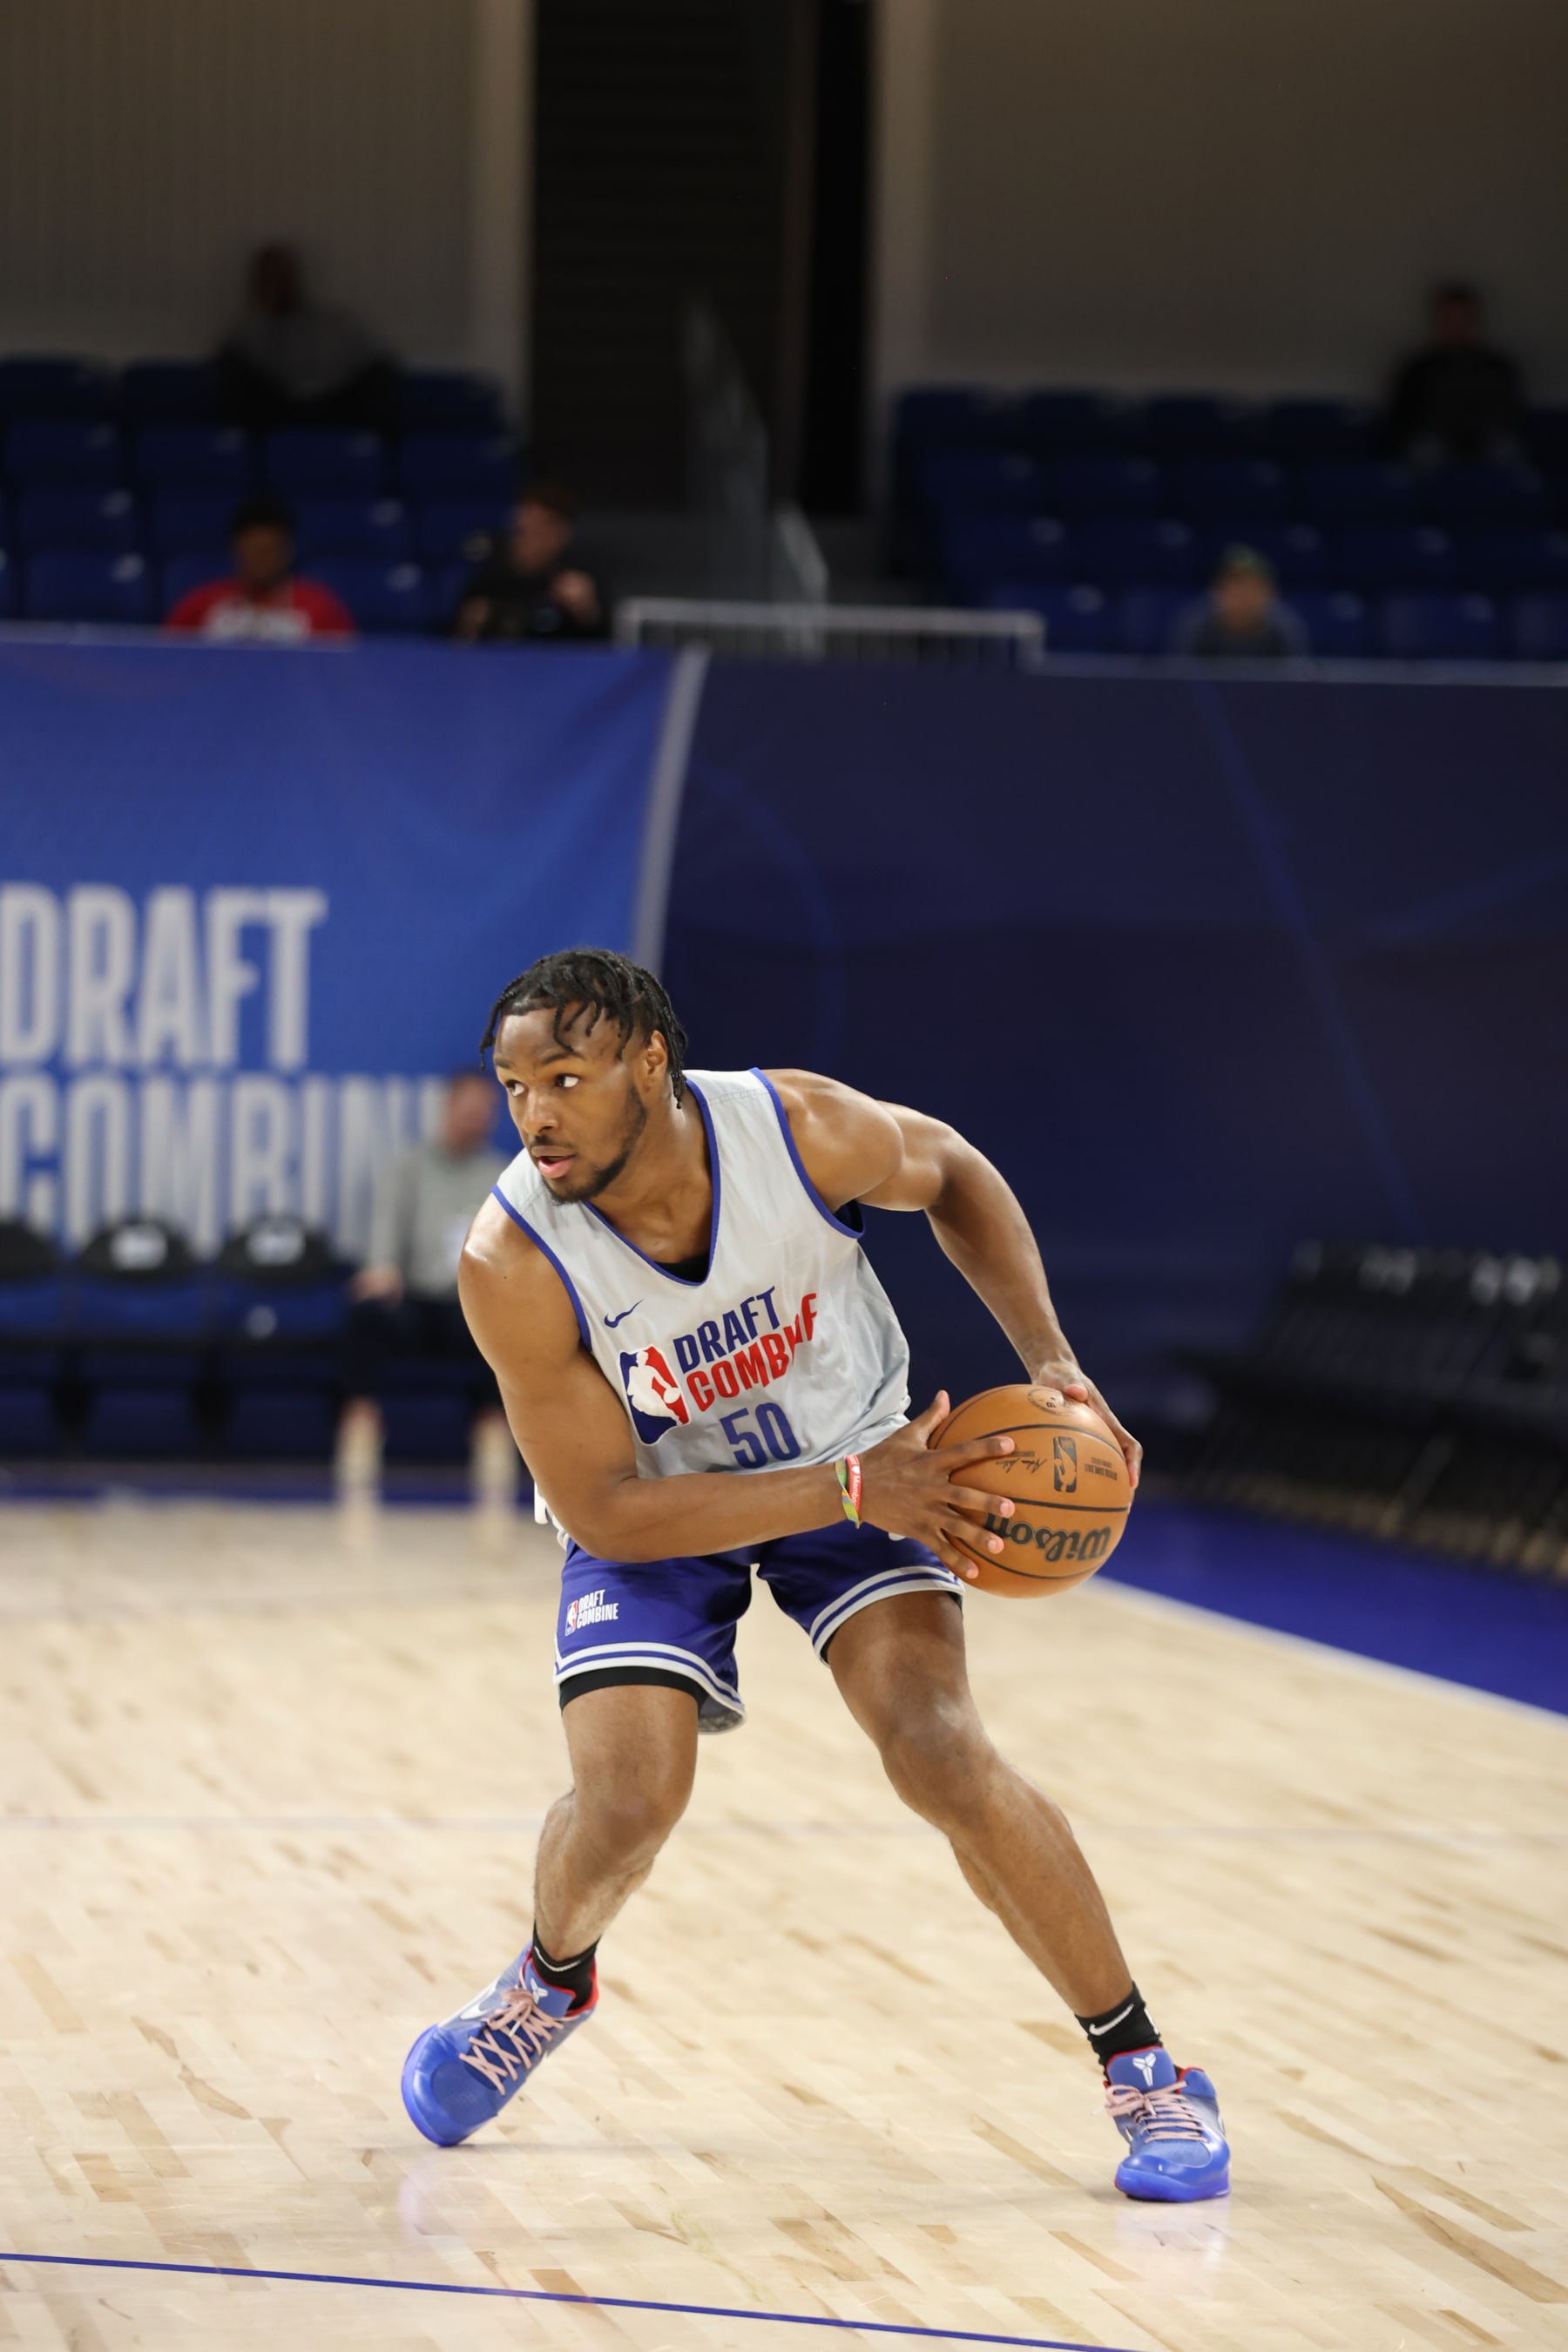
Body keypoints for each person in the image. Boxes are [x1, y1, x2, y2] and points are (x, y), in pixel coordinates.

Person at [400, 949, 1231, 2204]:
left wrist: (1049, 1358)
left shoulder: (798, 1133)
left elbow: (953, 1171)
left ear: (648, 1064)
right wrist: (851, 1490)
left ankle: (1150, 2072)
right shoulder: (511, 1259)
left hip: (860, 1454)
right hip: (667, 1506)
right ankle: (547, 1980)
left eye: (563, 1078)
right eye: (513, 1085)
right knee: (629, 1798)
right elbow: (606, 1510)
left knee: (941, 1748)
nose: (535, 1114)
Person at [214, 242, 395, 434]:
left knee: (381, 375)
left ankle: (368, 450)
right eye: (268, 277)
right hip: (277, 408)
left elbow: (368, 361)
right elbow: (240, 372)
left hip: (332, 404)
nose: (276, 282)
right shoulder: (247, 329)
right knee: (229, 369)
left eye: (281, 276)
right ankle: (248, 452)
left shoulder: (330, 322)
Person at [163, 495, 355, 644]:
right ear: (235, 549)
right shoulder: (200, 604)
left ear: (289, 550)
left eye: (270, 551)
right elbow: (168, 661)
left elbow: (344, 671)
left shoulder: (321, 607)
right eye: (253, 551)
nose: (262, 560)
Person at [1381, 282, 1524, 467]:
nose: (1457, 326)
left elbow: (1511, 418)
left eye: (1463, 319)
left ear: (1473, 321)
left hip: (1485, 444)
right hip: (1432, 445)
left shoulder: (1498, 368)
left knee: (1506, 450)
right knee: (1425, 452)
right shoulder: (1418, 369)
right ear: (1439, 321)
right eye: (1450, 319)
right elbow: (1399, 420)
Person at [452, 481, 607, 644]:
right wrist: (470, 627)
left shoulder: (581, 575)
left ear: (563, 534)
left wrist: (587, 612)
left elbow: (609, 647)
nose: (529, 541)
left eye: (540, 531)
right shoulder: (488, 578)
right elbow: (454, 643)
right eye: (523, 530)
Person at [1173, 545, 1308, 660]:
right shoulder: (1199, 629)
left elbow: (1294, 684)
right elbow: (1183, 682)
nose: (1243, 594)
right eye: (1235, 585)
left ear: (1270, 593)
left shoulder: (1283, 631)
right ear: (1217, 590)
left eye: (1252, 587)